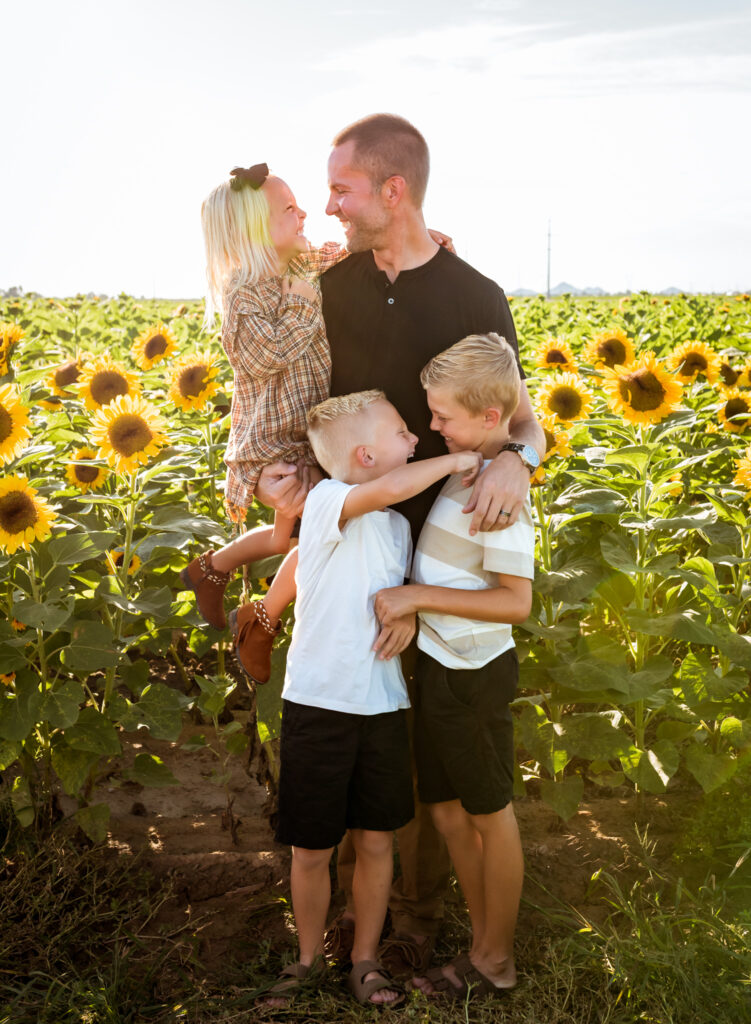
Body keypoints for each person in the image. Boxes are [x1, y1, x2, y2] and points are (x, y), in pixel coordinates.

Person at [254, 113, 545, 975]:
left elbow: (514, 415)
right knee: (348, 713)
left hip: (442, 548)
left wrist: (520, 465)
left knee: (410, 744)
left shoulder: (472, 294)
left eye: (342, 188)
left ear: (395, 190)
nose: (330, 205)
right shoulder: (329, 284)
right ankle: (349, 922)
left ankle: (413, 919)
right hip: (353, 545)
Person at [182, 161, 454, 681]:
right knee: (322, 533)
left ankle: (214, 571)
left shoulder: (303, 263)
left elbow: (349, 250)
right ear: (255, 231)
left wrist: (415, 241)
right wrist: (308, 300)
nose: (305, 211)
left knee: (293, 539)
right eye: (289, 208)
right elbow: (267, 358)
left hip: (309, 435)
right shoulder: (245, 295)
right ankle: (259, 616)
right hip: (274, 442)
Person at [265, 389, 482, 1008]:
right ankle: (306, 960)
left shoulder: (392, 528)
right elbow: (384, 491)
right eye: (403, 433)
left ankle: (364, 958)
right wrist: (454, 461)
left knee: (378, 839)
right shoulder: (331, 501)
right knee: (312, 847)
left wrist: (410, 617)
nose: (417, 438)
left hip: (382, 705)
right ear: (365, 454)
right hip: (319, 705)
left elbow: (399, 592)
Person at [374, 333, 534, 998]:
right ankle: (477, 942)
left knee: (487, 811)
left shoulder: (501, 498)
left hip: (472, 674)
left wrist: (415, 597)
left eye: (441, 415)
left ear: (491, 418)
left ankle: (496, 959)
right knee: (443, 811)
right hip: (438, 663)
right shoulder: (464, 467)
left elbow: (514, 602)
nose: (431, 424)